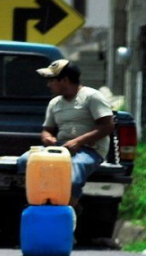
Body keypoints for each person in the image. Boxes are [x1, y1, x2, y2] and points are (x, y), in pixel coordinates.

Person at [19, 59, 115, 211]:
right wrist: (47, 137)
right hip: (61, 148)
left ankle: (71, 207)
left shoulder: (92, 96)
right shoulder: (54, 103)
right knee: (25, 160)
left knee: (72, 175)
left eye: (51, 80)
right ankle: (45, 201)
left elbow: (107, 126)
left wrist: (78, 141)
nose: (48, 85)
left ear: (65, 80)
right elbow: (47, 129)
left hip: (90, 149)